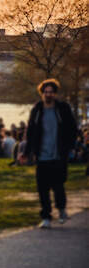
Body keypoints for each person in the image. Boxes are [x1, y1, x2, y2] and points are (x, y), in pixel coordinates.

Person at [25, 79, 80, 229]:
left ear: (55, 93)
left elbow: (72, 128)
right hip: (42, 156)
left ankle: (61, 209)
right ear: (42, 93)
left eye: (51, 92)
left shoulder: (63, 108)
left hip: (58, 155)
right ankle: (46, 217)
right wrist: (26, 152)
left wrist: (70, 146)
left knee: (58, 185)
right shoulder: (37, 109)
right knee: (42, 188)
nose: (48, 95)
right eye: (45, 92)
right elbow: (30, 131)